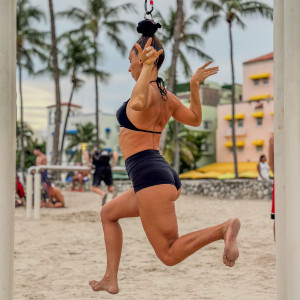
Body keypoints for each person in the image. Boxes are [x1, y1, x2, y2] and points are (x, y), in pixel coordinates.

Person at [89, 19, 240, 294]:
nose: (129, 67)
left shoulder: (146, 91)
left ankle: (223, 229)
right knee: (109, 213)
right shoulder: (166, 95)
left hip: (149, 175)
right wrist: (194, 84)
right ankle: (111, 278)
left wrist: (147, 66)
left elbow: (137, 103)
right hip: (159, 174)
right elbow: (195, 118)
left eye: (130, 59)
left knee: (169, 254)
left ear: (141, 54)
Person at [268, 135, 275, 240]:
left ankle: (279, 253)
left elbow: (272, 164)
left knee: (278, 217)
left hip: (281, 179)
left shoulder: (273, 137)